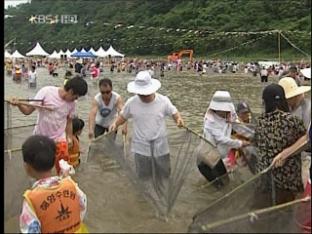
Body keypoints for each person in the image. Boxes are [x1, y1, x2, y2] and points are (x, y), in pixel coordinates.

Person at [109, 70, 184, 180]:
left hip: (161, 147)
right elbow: (123, 116)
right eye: (140, 93)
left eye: (145, 93)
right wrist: (115, 124)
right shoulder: (132, 102)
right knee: (143, 178)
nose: (143, 96)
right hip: (141, 148)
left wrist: (179, 119)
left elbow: (174, 113)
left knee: (164, 176)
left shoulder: (163, 101)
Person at [8, 76, 88, 175]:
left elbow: (69, 121)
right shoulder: (46, 92)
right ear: (71, 91)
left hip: (59, 139)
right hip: (41, 138)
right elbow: (27, 111)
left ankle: (62, 187)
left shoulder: (72, 104)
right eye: (76, 97)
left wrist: (69, 136)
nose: (75, 99)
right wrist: (18, 104)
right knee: (38, 170)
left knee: (64, 169)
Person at [20, 135, 87, 233]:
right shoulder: (72, 185)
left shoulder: (31, 200)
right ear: (55, 160)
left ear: (27, 167)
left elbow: (30, 230)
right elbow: (82, 207)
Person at [253, 83, 306, 207]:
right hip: (287, 182)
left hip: (265, 180)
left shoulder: (260, 122)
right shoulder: (292, 120)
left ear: (265, 102)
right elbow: (307, 140)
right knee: (286, 214)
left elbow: (256, 142)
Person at [199, 91, 250, 188]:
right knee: (219, 186)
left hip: (219, 156)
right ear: (215, 108)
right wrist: (240, 143)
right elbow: (222, 139)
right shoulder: (210, 121)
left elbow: (238, 126)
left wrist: (252, 135)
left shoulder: (229, 114)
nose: (223, 112)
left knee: (225, 181)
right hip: (207, 158)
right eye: (220, 110)